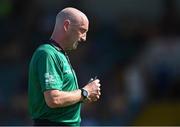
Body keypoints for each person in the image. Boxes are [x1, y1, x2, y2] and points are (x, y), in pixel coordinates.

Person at [28, 7, 101, 126]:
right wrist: (85, 92)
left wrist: (86, 96)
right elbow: (54, 99)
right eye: (82, 30)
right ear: (66, 26)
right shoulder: (47, 53)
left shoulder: (59, 54)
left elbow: (61, 102)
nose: (84, 38)